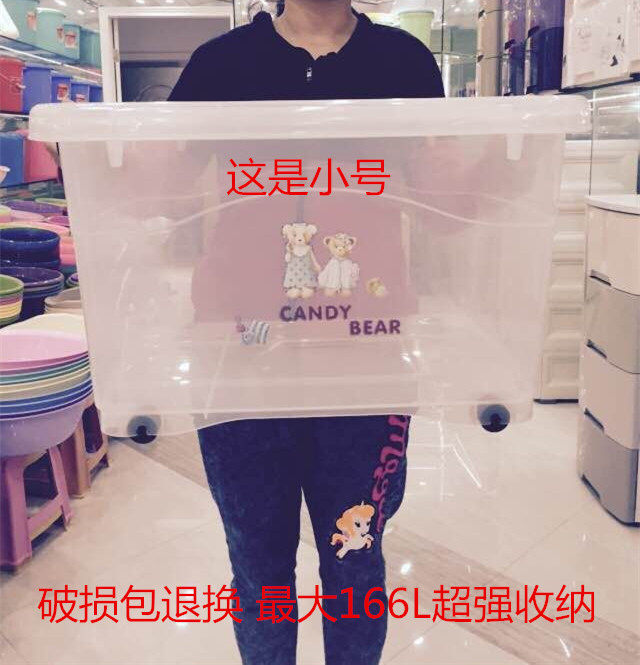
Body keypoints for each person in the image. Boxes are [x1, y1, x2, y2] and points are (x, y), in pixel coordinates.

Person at [169, 2, 444, 664]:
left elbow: (448, 204)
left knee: (354, 557)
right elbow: (160, 196)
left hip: (365, 354)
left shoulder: (402, 61)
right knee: (259, 566)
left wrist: (508, 154)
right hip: (240, 350)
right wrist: (90, 156)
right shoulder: (221, 63)